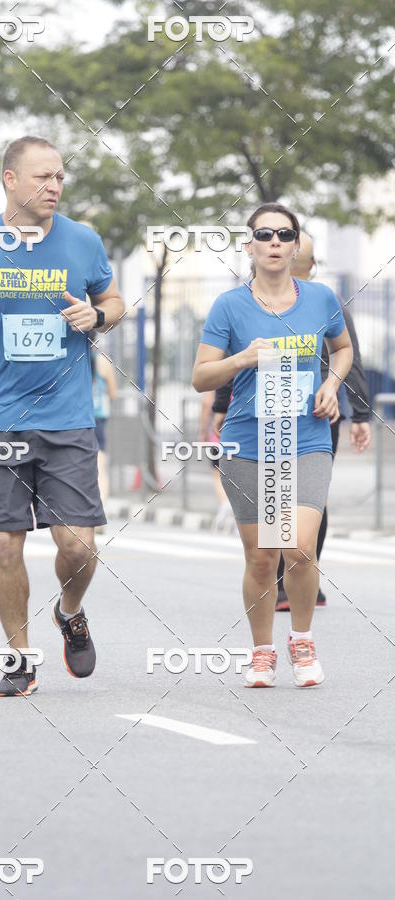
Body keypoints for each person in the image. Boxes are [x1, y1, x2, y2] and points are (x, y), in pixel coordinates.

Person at [0, 136, 124, 697]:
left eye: (59, 177)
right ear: (10, 180)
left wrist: (98, 315)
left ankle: (70, 611)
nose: (54, 186)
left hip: (67, 417)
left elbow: (115, 301)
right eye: (42, 177)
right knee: (5, 545)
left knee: (78, 546)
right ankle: (19, 655)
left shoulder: (83, 240)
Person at [192, 202, 353, 689]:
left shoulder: (321, 298)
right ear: (250, 246)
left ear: (297, 244)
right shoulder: (229, 306)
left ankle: (301, 638)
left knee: (298, 547)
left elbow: (342, 348)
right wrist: (242, 358)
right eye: (265, 235)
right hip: (247, 442)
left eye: (286, 234)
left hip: (306, 438)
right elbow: (201, 376)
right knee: (262, 556)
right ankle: (262, 650)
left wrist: (331, 386)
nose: (276, 243)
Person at [212, 231, 371, 609]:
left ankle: (299, 575)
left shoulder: (323, 302)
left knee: (308, 501)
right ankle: (287, 582)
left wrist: (343, 399)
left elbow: (348, 354)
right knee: (280, 500)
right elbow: (233, 359)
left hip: (315, 418)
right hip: (261, 421)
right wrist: (362, 415)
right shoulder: (244, 303)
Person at [90, 344, 117, 529]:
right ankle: (100, 512)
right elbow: (113, 394)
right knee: (101, 467)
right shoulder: (104, 361)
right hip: (99, 419)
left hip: (76, 420)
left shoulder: (73, 359)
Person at [198, 390, 233, 532]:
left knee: (217, 474)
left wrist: (202, 431)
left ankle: (225, 504)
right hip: (240, 436)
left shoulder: (220, 374)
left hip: (218, 436)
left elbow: (206, 403)